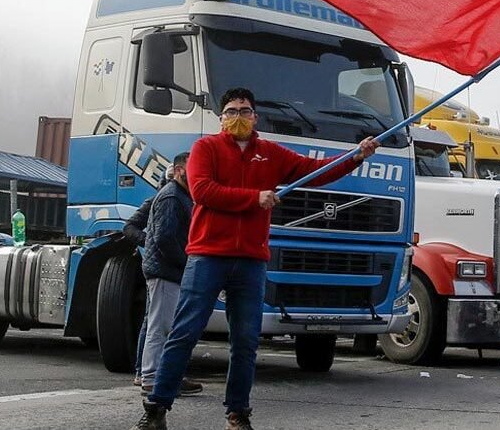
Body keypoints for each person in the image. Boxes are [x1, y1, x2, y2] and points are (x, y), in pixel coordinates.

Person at [133, 87, 379, 430]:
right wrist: (254, 198)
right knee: (184, 333)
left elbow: (314, 171)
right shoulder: (205, 148)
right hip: (208, 256)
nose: (238, 117)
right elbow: (203, 190)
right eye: (232, 112)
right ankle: (157, 409)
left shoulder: (270, 153)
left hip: (250, 260)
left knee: (246, 341)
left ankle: (238, 414)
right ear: (221, 118)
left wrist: (355, 157)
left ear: (255, 117)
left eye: (244, 111)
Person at [139, 153, 202, 397]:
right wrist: (186, 263)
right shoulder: (172, 197)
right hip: (165, 271)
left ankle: (167, 375)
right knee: (161, 326)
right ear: (178, 170)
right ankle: (152, 377)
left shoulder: (180, 196)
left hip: (168, 269)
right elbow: (165, 237)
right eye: (191, 168)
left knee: (167, 326)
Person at [124, 165, 174, 386]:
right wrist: (149, 241)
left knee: (155, 320)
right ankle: (144, 371)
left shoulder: (172, 199)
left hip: (163, 267)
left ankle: (150, 371)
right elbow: (129, 227)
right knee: (153, 320)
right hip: (160, 267)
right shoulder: (160, 200)